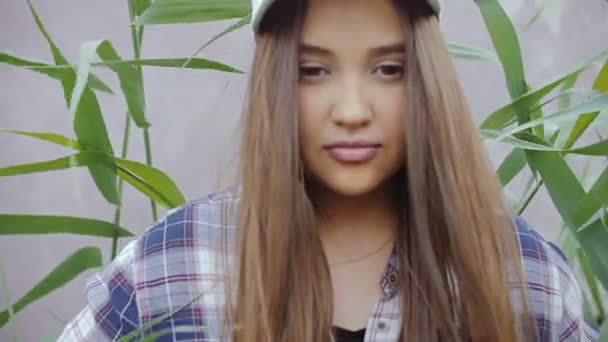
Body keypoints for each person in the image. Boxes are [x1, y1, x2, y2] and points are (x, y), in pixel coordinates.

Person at [58, 0, 599, 341]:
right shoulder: (173, 263)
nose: (352, 110)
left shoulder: (522, 276)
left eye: (388, 69)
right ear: (276, 82)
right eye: (313, 71)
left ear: (426, 81)